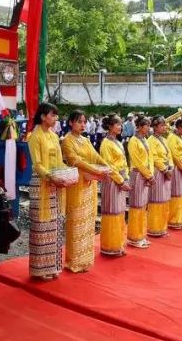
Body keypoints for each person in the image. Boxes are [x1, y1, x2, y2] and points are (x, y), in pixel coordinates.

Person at [60, 111, 109, 273]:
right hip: (76, 184)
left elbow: (96, 156)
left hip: (89, 184)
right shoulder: (67, 141)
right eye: (79, 122)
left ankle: (85, 260)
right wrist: (96, 169)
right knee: (75, 221)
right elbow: (75, 161)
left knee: (88, 222)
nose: (83, 125)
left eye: (84, 122)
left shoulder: (86, 140)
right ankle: (73, 261)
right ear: (70, 123)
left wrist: (108, 168)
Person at [26, 103, 69, 280]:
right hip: (42, 183)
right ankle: (40, 269)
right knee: (42, 227)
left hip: (55, 184)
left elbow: (59, 160)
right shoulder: (34, 136)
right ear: (43, 116)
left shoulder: (53, 135)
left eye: (56, 115)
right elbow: (37, 165)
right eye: (53, 115)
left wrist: (67, 173)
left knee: (55, 225)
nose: (56, 118)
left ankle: (53, 266)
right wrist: (51, 177)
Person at [98, 115, 130, 256]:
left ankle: (118, 244)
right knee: (112, 212)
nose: (120, 126)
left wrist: (126, 177)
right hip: (112, 181)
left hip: (120, 180)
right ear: (110, 126)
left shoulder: (117, 142)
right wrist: (121, 181)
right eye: (117, 124)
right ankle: (109, 246)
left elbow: (123, 161)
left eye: (121, 124)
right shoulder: (106, 143)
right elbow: (108, 166)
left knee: (120, 212)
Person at [127, 116, 154, 248]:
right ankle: (134, 237)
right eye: (146, 125)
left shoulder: (145, 140)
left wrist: (150, 174)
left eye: (149, 125)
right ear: (139, 126)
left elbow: (150, 158)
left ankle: (141, 234)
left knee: (143, 206)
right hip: (138, 174)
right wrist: (148, 175)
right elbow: (137, 161)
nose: (149, 128)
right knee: (136, 205)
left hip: (145, 174)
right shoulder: (133, 141)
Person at [146, 116, 172, 238]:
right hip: (158, 171)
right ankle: (154, 228)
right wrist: (165, 169)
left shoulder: (164, 139)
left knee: (165, 199)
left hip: (166, 171)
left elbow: (169, 154)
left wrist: (170, 167)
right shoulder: (151, 140)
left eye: (165, 125)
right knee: (156, 199)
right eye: (162, 125)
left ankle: (162, 227)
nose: (164, 127)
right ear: (155, 127)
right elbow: (154, 158)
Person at [167, 118, 182, 229]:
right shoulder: (172, 138)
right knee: (176, 193)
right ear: (180, 127)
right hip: (177, 168)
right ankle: (173, 219)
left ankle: (180, 219)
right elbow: (174, 155)